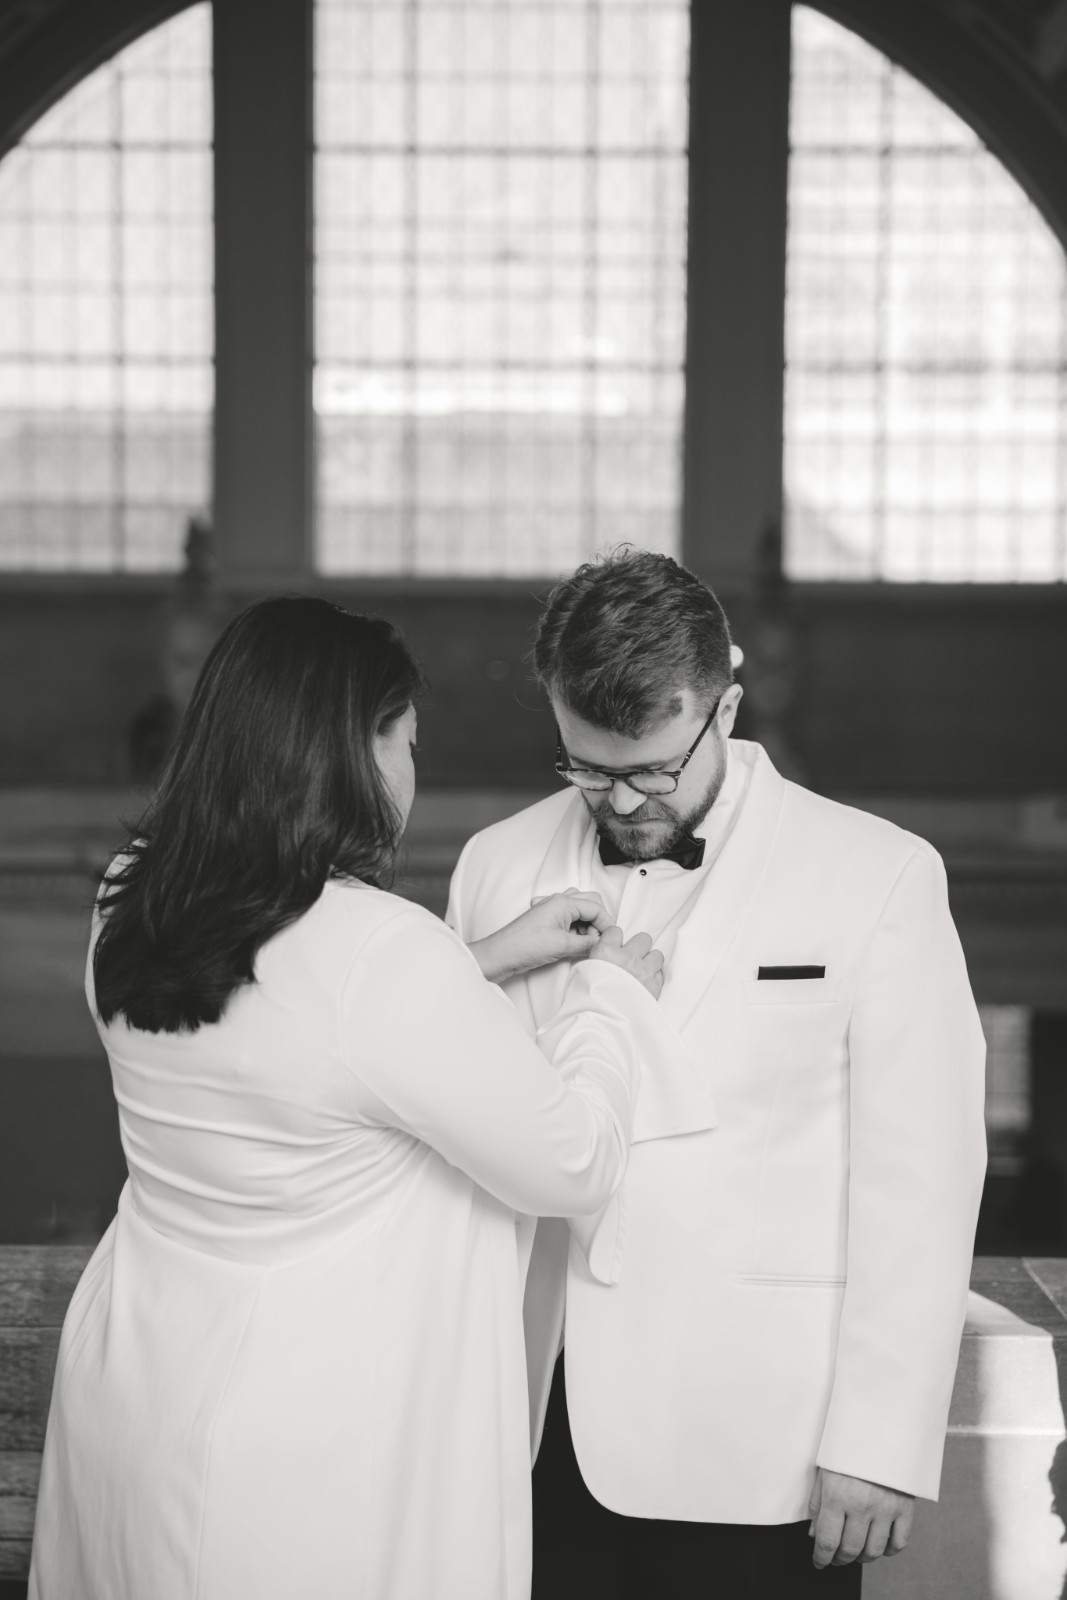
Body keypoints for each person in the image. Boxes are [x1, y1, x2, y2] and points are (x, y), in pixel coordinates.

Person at [28, 595, 680, 1600]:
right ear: (356, 751)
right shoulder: (378, 949)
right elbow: (571, 1161)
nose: (409, 774)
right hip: (294, 1434)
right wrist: (606, 999)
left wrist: (488, 957)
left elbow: (290, 1045)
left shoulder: (132, 899)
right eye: (405, 742)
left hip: (137, 1383)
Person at [446, 550, 988, 1598]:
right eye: (586, 768)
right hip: (528, 1427)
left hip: (761, 1440)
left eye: (650, 770)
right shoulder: (493, 865)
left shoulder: (878, 875)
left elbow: (917, 1178)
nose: (618, 799)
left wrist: (879, 1436)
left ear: (724, 709)